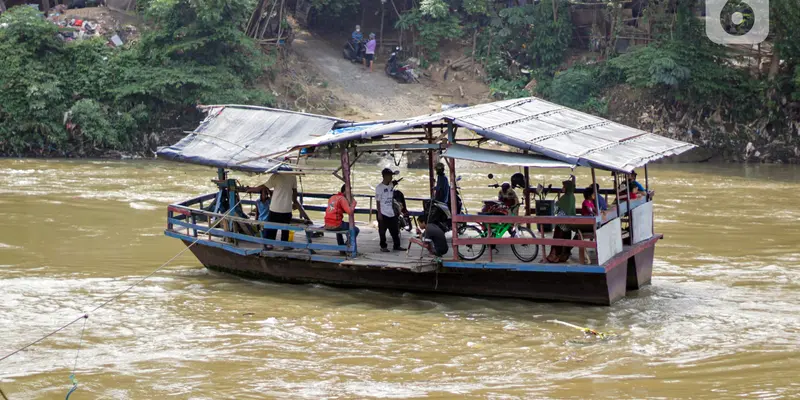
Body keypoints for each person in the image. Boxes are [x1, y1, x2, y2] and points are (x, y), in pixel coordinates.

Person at [264, 172, 303, 250]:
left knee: (272, 227)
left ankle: (270, 244)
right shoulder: (292, 175)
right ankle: (285, 244)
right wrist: (294, 202)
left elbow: (264, 186)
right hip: (286, 207)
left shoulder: (276, 175)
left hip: (275, 207)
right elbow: (295, 191)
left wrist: (252, 189)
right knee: (285, 228)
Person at [547, 177, 576, 263]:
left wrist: (556, 202)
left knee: (557, 238)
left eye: (564, 187)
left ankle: (554, 256)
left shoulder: (564, 198)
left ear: (567, 188)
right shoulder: (572, 197)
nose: (562, 188)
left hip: (561, 224)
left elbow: (555, 210)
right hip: (568, 225)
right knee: (566, 239)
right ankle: (563, 256)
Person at [375, 168, 405, 252]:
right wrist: (379, 213)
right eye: (389, 176)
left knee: (395, 231)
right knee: (382, 231)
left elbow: (394, 182)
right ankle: (383, 246)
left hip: (391, 212)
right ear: (384, 176)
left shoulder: (391, 184)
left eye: (391, 176)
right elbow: (378, 201)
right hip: (383, 212)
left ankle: (397, 246)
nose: (391, 177)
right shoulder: (379, 187)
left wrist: (397, 179)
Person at [324, 184, 359, 255]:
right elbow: (349, 211)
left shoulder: (332, 197)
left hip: (327, 224)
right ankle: (348, 245)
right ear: (346, 191)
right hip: (336, 225)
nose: (351, 193)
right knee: (355, 229)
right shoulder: (342, 199)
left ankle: (342, 250)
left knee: (339, 230)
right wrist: (354, 203)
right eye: (350, 192)